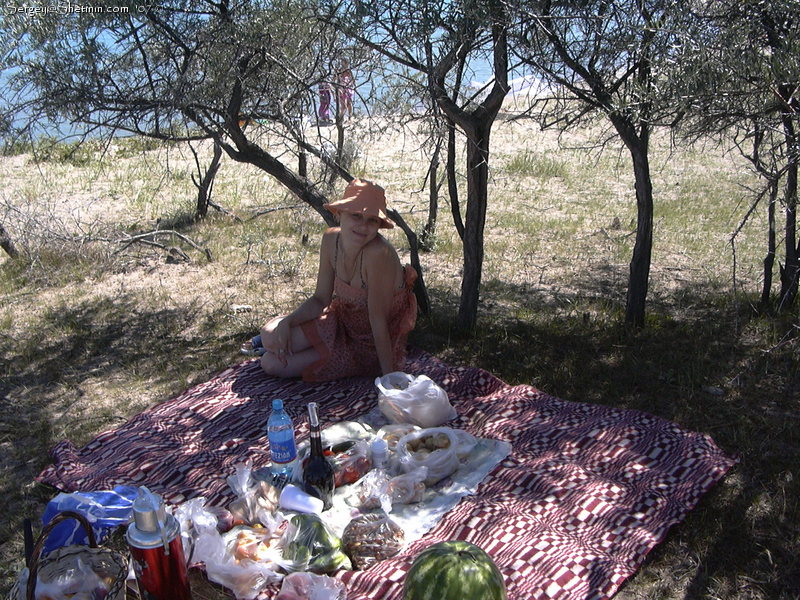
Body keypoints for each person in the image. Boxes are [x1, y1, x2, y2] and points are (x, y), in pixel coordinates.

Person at [244, 179, 417, 382]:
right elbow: (320, 299)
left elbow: (378, 321)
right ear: (339, 214)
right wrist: (289, 321)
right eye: (356, 216)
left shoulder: (378, 253)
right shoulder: (330, 240)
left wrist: (389, 378)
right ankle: (276, 343)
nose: (363, 226)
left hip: (369, 343)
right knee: (269, 336)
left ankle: (293, 348)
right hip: (341, 323)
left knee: (271, 364)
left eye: (372, 220)